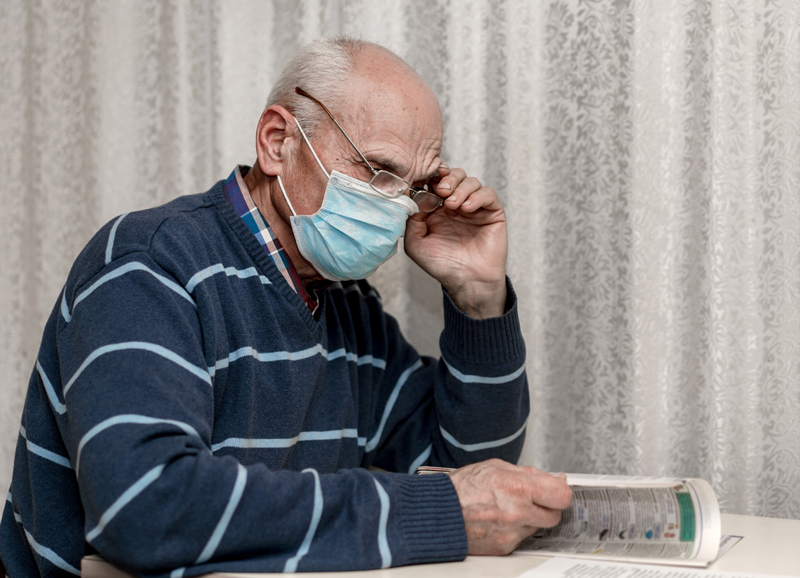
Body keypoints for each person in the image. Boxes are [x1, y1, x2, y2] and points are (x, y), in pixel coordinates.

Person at [0, 36, 571, 577]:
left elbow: (470, 470)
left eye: (412, 187)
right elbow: (148, 505)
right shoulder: (147, 264)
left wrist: (478, 298)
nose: (399, 210)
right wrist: (437, 512)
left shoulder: (346, 306)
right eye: (379, 173)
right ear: (278, 142)